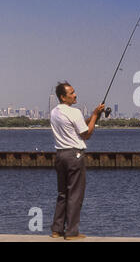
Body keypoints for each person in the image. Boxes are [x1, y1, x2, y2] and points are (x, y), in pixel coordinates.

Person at [50, 82, 105, 240]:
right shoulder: (74, 112)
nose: (75, 95)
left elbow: (78, 125)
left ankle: (57, 230)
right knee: (75, 194)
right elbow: (86, 134)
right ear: (63, 97)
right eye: (72, 93)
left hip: (60, 155)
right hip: (75, 156)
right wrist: (95, 116)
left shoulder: (54, 112)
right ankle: (71, 232)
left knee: (62, 193)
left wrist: (95, 114)